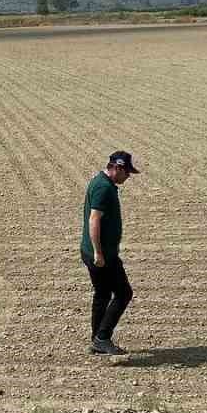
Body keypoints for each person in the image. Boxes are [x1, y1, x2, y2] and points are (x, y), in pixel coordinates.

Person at [80, 151, 139, 355]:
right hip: (102, 255)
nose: (128, 176)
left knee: (103, 294)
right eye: (127, 172)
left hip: (93, 251)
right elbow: (94, 219)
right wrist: (99, 253)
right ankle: (102, 338)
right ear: (117, 168)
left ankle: (96, 340)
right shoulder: (103, 188)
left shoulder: (101, 182)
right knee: (124, 293)